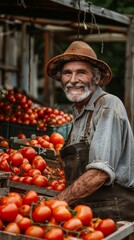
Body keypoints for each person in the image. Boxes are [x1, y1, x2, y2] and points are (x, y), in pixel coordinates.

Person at [46, 41, 134, 223]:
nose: (72, 79)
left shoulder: (107, 105)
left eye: (81, 72)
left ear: (96, 78)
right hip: (87, 215)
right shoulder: (79, 113)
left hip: (114, 215)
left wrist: (57, 202)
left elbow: (100, 172)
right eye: (67, 73)